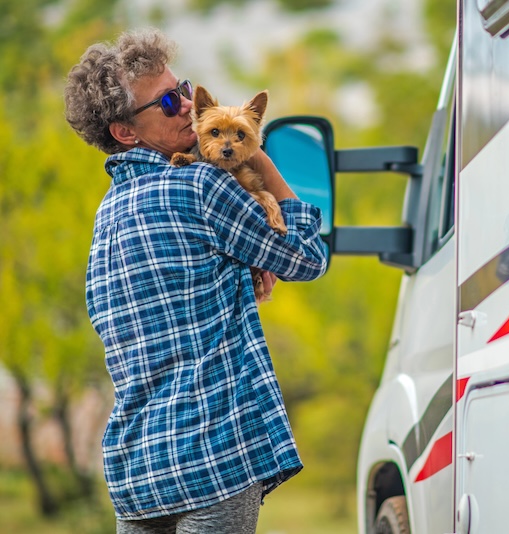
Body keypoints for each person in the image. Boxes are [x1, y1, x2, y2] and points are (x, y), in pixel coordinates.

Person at [64, 27, 327, 533]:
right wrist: (263, 163)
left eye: (182, 88)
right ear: (124, 132)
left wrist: (238, 270)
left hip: (136, 470)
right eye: (167, 101)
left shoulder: (106, 216)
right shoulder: (201, 186)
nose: (186, 105)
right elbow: (308, 257)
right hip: (213, 454)